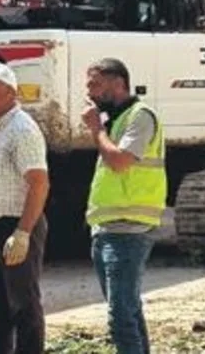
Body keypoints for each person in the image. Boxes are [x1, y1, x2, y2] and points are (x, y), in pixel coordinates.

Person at [82, 58, 167, 354]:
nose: (89, 91)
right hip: (108, 228)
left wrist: (96, 130)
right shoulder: (116, 120)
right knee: (128, 311)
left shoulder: (139, 116)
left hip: (129, 230)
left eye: (95, 84)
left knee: (120, 318)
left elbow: (119, 162)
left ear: (118, 83)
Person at [0, 62, 50, 354]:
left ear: (8, 92)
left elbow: (39, 184)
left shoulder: (21, 129)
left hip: (14, 227)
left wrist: (22, 233)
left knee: (23, 307)